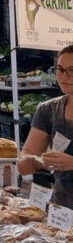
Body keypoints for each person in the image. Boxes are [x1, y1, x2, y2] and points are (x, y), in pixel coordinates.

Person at [18, 45, 73, 207]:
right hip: (61, 205)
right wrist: (30, 161)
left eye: (72, 70)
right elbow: (28, 151)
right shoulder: (48, 110)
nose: (64, 76)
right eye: (60, 69)